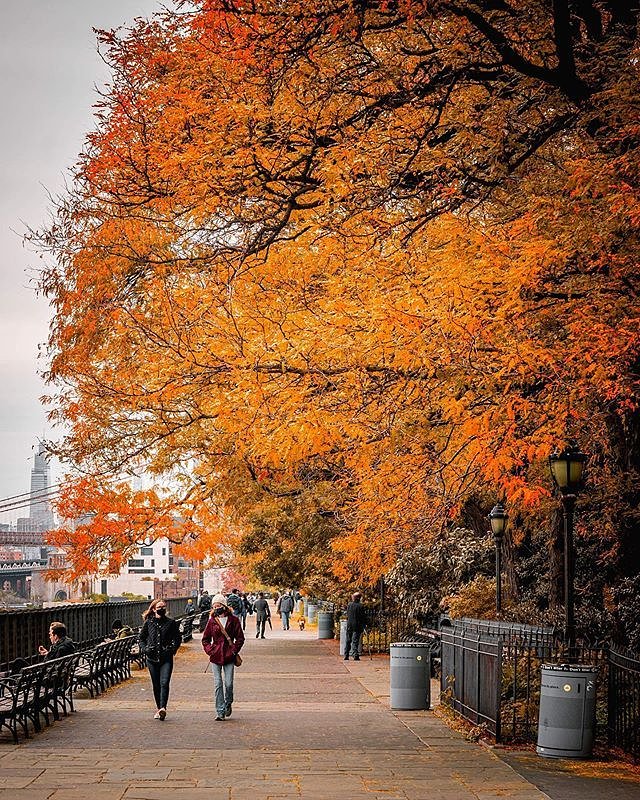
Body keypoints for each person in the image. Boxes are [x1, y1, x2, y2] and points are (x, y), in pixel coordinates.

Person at [201, 593, 245, 721]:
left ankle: (228, 702)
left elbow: (240, 638)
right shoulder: (212, 621)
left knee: (229, 683)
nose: (216, 608)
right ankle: (220, 711)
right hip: (215, 656)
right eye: (214, 606)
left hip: (229, 656)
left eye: (218, 605)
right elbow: (205, 639)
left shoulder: (233, 620)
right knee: (218, 684)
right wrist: (210, 650)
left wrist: (234, 650)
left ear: (224, 606)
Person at [139, 599, 182, 720]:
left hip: (166, 658)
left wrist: (172, 649)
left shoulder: (171, 622)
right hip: (152, 659)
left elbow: (178, 638)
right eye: (159, 607)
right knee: (156, 684)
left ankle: (163, 708)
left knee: (164, 682)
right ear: (154, 609)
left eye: (163, 607)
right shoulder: (149, 623)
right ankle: (159, 708)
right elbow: (141, 638)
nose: (162, 609)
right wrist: (146, 649)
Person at [344, 592, 367, 661]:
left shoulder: (349, 605)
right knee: (355, 641)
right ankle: (355, 655)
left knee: (348, 640)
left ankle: (346, 655)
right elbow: (363, 617)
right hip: (357, 626)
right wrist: (364, 625)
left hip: (349, 625)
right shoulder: (360, 606)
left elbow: (348, 614)